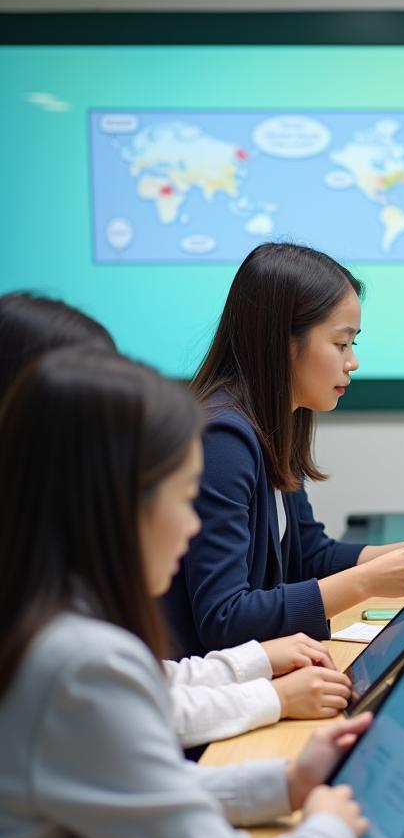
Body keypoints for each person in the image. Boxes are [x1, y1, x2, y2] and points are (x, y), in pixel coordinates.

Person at [0, 348, 373, 838]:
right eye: (183, 499)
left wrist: (284, 784)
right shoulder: (79, 664)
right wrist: (328, 831)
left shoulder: (46, 618)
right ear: (113, 504)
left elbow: (132, 783)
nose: (190, 530)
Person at [0, 291, 354, 744]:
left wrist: (259, 667)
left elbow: (137, 687)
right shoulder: (226, 436)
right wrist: (273, 696)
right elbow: (127, 713)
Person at [164, 242, 404, 657]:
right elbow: (224, 619)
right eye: (341, 344)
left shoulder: (273, 424)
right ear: (281, 342)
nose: (353, 361)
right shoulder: (222, 441)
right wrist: (368, 581)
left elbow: (310, 557)